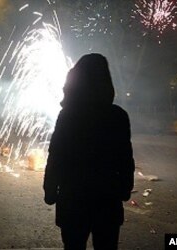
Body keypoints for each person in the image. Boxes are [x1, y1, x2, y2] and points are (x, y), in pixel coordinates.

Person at [43, 53, 135, 250]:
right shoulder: (118, 116)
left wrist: (50, 190)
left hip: (73, 199)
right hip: (107, 199)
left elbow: (56, 155)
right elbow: (125, 158)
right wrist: (125, 188)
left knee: (74, 246)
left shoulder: (67, 115)